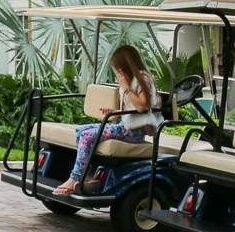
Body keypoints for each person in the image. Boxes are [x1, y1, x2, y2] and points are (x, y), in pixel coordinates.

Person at [53, 44, 164, 196]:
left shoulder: (143, 78)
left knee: (87, 136)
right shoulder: (131, 79)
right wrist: (114, 112)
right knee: (80, 130)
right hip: (123, 126)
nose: (118, 72)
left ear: (127, 64)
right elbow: (130, 110)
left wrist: (125, 87)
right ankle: (88, 176)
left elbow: (141, 107)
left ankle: (74, 179)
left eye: (119, 68)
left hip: (134, 131)